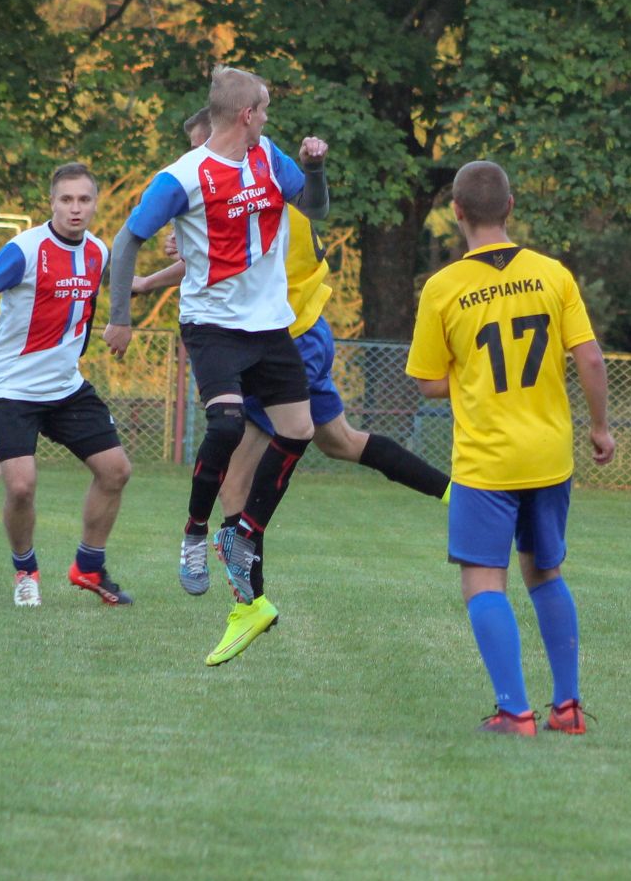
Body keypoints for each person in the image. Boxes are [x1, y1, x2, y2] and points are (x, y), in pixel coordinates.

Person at [134, 109, 451, 597]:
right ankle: (455, 493)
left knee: (235, 480)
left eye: (203, 146)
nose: (201, 160)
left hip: (282, 340)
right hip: (304, 331)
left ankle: (250, 600)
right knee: (340, 442)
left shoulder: (257, 188)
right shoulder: (255, 183)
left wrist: (169, 260)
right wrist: (153, 278)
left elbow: (231, 257)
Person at [104, 65, 329, 665]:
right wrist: (121, 316)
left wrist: (314, 169)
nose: (268, 117)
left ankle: (244, 534)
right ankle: (195, 532)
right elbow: (126, 242)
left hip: (270, 326)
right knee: (226, 425)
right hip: (212, 325)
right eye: (265, 108)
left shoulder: (269, 157)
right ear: (247, 115)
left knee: (299, 431)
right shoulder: (182, 177)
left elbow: (316, 208)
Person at [405, 160, 616, 735]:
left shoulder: (443, 288)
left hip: (487, 461)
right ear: (510, 207)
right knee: (545, 572)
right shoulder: (552, 274)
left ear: (456, 211)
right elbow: (590, 358)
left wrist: (471, 373)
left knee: (482, 580)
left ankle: (514, 711)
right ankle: (568, 708)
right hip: (549, 454)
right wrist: (600, 428)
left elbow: (427, 381)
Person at [0, 162, 133, 607]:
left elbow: (120, 287)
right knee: (21, 486)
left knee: (116, 470)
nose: (75, 208)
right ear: (52, 203)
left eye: (84, 199)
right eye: (66, 199)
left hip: (65, 388)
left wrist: (179, 270)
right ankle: (25, 571)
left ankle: (89, 566)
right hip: (10, 389)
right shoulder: (24, 249)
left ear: (95, 204)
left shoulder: (98, 251)